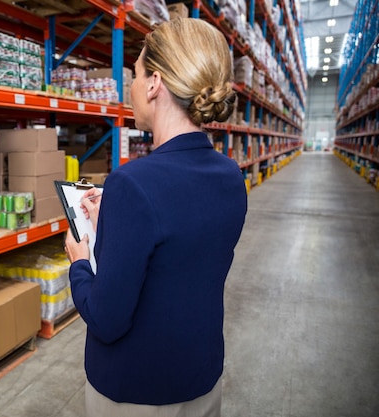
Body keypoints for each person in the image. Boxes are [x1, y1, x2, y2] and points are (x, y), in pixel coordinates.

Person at [64, 17, 248, 417]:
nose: (130, 85)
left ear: (154, 83)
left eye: (135, 73)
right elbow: (177, 258)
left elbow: (105, 318)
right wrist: (111, 225)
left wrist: (80, 261)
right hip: (200, 379)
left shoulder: (132, 183)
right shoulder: (231, 175)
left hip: (136, 393)